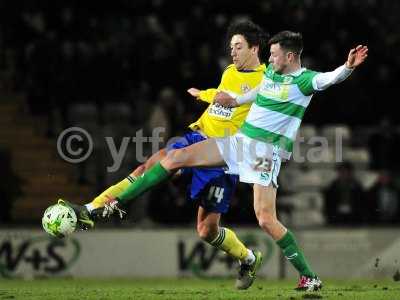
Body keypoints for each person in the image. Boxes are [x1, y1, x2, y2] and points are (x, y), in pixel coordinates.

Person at [91, 31, 367, 291]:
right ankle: (118, 202)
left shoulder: (305, 81)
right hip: (240, 143)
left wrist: (348, 67)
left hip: (264, 154)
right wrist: (235, 101)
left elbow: (330, 79)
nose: (269, 59)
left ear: (291, 56)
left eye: (274, 54)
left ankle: (310, 277)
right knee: (175, 157)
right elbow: (260, 92)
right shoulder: (272, 72)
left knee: (266, 219)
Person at [62, 20, 268, 290]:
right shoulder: (230, 71)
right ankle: (92, 209)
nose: (232, 52)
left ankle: (248, 258)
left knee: (206, 230)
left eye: (238, 47)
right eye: (231, 47)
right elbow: (222, 101)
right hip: (198, 138)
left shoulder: (266, 82)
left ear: (254, 49)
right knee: (150, 164)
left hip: (222, 158)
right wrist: (204, 96)